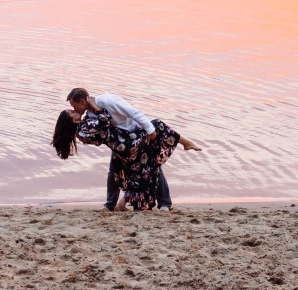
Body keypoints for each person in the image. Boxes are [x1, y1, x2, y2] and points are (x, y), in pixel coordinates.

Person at [52, 88, 202, 210]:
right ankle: (185, 143)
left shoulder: (101, 106)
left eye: (74, 107)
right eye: (72, 111)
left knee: (121, 173)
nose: (74, 109)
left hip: (124, 143)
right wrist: (150, 130)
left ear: (82, 101)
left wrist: (148, 130)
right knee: (157, 129)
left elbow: (132, 113)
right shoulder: (87, 122)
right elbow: (105, 121)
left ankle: (115, 204)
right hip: (129, 143)